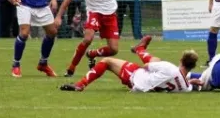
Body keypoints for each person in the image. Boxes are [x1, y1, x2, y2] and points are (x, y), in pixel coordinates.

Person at [54, 0, 121, 76]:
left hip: (110, 14)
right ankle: (71, 68)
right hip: (94, 13)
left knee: (113, 50)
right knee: (87, 39)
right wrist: (58, 16)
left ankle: (92, 54)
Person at [59, 35, 198, 93]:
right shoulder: (185, 88)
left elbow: (146, 66)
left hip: (136, 78)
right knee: (156, 61)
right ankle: (140, 49)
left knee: (106, 61)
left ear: (181, 60)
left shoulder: (170, 67)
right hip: (147, 85)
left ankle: (80, 84)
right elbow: (185, 82)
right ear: (192, 66)